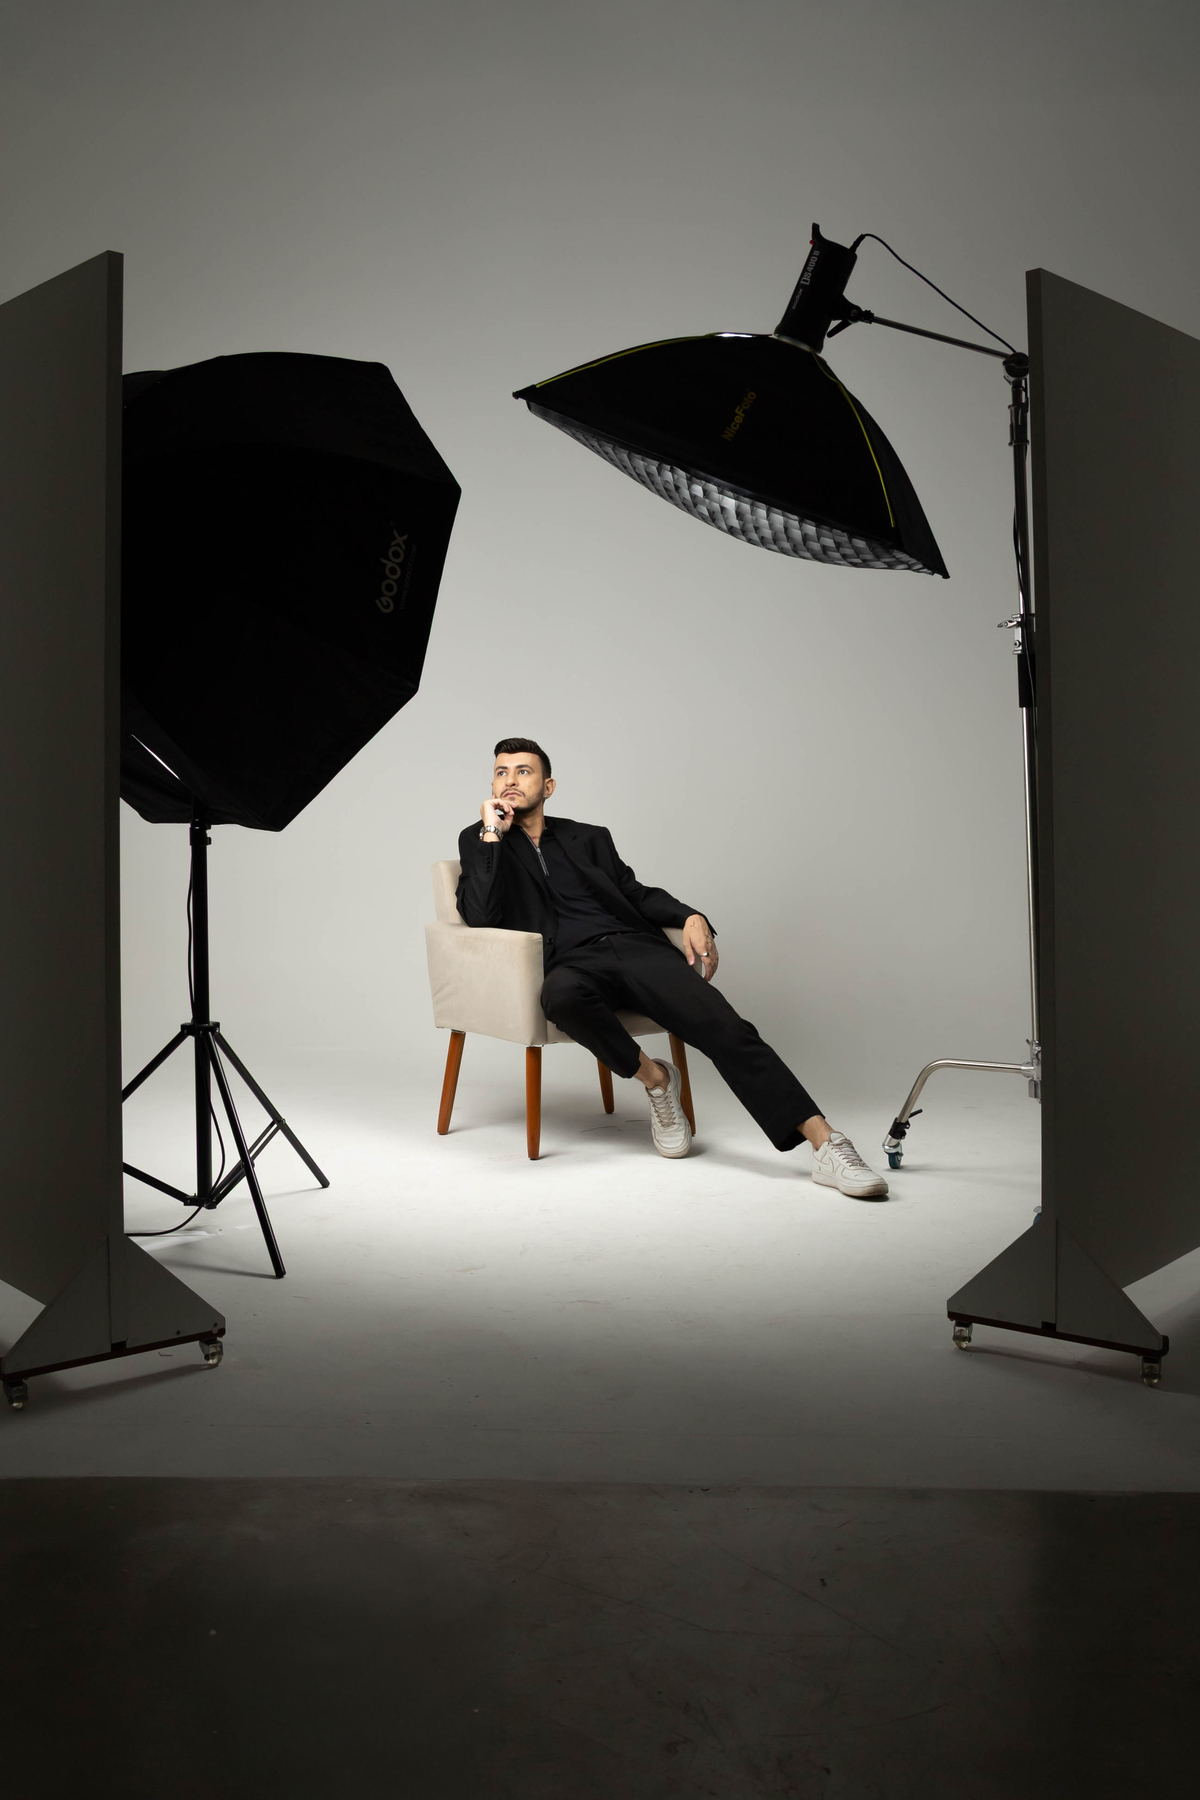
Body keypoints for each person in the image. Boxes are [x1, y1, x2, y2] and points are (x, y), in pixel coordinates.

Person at [456, 737, 888, 1197]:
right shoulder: (480, 840)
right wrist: (491, 835)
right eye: (501, 772)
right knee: (559, 996)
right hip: (570, 963)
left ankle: (826, 1144)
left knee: (725, 1026)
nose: (510, 780)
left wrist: (690, 916)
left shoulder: (589, 837)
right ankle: (657, 1080)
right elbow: (480, 915)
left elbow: (633, 892)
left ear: (548, 786)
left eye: (523, 771)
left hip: (634, 948)